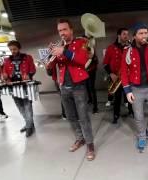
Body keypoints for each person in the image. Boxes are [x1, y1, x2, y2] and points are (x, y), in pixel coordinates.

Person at [47, 18, 95, 161]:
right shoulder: (59, 46)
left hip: (78, 86)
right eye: (60, 30)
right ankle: (80, 139)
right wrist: (51, 57)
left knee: (84, 117)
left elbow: (82, 60)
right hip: (64, 87)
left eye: (64, 29)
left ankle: (90, 144)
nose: (62, 33)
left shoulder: (81, 42)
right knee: (71, 116)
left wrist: (64, 51)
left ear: (71, 30)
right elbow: (52, 67)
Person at [121, 23, 148, 153]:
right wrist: (127, 91)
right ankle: (141, 136)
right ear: (134, 36)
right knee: (138, 116)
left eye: (146, 33)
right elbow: (123, 72)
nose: (144, 36)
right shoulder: (127, 51)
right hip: (135, 88)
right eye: (141, 33)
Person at [3, 40, 37, 137]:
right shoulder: (7, 60)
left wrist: (29, 75)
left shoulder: (27, 57)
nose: (12, 51)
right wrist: (5, 76)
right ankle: (29, 123)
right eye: (11, 49)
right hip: (13, 86)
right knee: (20, 107)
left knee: (27, 106)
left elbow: (33, 70)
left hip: (26, 86)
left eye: (14, 49)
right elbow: (4, 72)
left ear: (19, 48)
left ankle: (29, 127)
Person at [103, 28, 133, 124]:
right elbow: (105, 64)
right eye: (124, 34)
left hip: (128, 76)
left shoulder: (130, 47)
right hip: (116, 76)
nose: (126, 36)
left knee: (130, 95)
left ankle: (131, 111)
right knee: (117, 97)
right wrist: (111, 74)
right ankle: (116, 115)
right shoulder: (111, 48)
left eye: (127, 34)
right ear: (119, 36)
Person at [85, 48, 99, 114]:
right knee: (87, 88)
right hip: (85, 74)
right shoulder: (84, 52)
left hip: (91, 74)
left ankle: (95, 108)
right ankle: (90, 100)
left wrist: (88, 70)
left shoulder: (92, 53)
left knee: (92, 89)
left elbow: (95, 64)